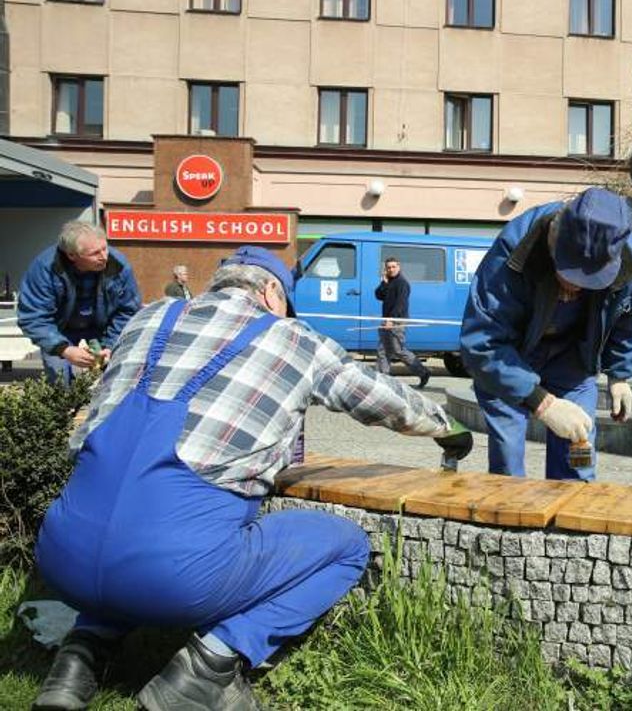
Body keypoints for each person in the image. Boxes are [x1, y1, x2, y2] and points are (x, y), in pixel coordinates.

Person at [31, 245, 472, 711]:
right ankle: (208, 667)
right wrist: (449, 428)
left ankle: (77, 659)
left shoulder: (149, 318)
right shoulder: (294, 338)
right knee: (346, 548)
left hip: (61, 556)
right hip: (174, 575)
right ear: (270, 293)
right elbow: (382, 398)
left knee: (123, 522)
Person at [460, 187, 632, 481]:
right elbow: (482, 342)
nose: (575, 287)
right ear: (554, 239)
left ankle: (572, 513)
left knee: (578, 446)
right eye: (570, 273)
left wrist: (620, 374)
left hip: (572, 358)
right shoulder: (515, 248)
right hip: (511, 357)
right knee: (508, 457)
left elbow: (630, 317)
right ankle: (509, 516)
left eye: (591, 279)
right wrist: (544, 403)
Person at [17, 222, 141, 384]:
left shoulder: (118, 265)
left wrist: (111, 345)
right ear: (72, 255)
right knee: (60, 382)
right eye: (95, 253)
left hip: (103, 328)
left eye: (105, 248)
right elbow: (33, 317)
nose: (104, 256)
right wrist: (64, 349)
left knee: (119, 377)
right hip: (60, 329)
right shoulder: (45, 269)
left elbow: (127, 310)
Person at [374, 255, 431, 389]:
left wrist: (391, 320)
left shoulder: (402, 283)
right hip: (386, 320)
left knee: (397, 350)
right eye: (388, 267)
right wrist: (384, 282)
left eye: (394, 267)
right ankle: (383, 379)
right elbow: (378, 295)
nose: (391, 269)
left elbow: (400, 304)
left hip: (396, 321)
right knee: (383, 351)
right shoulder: (390, 281)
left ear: (399, 267)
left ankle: (423, 372)